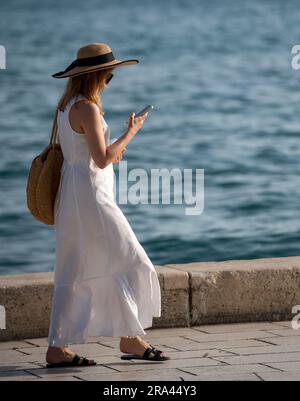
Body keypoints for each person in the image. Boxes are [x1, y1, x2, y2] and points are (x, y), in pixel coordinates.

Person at [45, 42, 170, 368]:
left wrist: (114, 146)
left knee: (75, 267)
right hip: (93, 198)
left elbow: (83, 154)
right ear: (98, 75)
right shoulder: (87, 108)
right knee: (132, 258)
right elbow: (102, 159)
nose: (109, 78)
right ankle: (127, 337)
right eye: (109, 74)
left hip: (72, 196)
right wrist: (130, 133)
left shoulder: (65, 106)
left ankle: (62, 347)